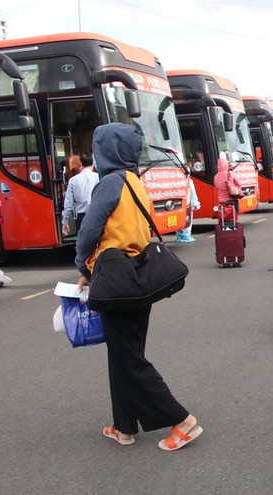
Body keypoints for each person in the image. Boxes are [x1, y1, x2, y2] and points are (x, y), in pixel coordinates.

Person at [75, 123, 202, 449]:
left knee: (128, 358)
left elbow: (89, 231)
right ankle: (124, 426)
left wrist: (82, 267)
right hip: (138, 278)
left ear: (106, 151)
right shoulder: (134, 181)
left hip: (115, 279)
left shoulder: (108, 184)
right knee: (124, 354)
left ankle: (183, 421)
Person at [62, 152, 99, 236]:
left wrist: (65, 221)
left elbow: (68, 203)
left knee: (83, 245)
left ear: (81, 163)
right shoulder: (98, 177)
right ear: (93, 163)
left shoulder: (73, 180)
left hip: (81, 218)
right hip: (97, 215)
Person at [214, 156, 238, 223]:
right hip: (232, 199)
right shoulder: (230, 174)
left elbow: (216, 186)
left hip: (222, 201)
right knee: (233, 217)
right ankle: (233, 230)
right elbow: (239, 183)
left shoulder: (216, 176)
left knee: (224, 216)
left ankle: (224, 230)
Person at [176, 177, 201, 243]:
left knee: (179, 218)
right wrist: (196, 203)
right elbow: (192, 193)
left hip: (177, 203)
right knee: (187, 219)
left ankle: (179, 235)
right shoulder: (188, 181)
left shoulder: (175, 180)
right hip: (187, 203)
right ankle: (185, 236)